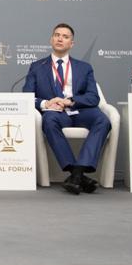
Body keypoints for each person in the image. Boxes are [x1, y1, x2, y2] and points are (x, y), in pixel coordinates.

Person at [24, 23, 110, 195]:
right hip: (55, 112)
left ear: (72, 43)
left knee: (103, 120)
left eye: (65, 36)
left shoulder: (84, 67)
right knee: (49, 121)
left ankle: (76, 173)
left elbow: (93, 97)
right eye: (57, 35)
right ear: (51, 40)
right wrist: (46, 103)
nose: (60, 39)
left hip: (79, 110)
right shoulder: (37, 66)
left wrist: (70, 101)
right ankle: (78, 174)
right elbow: (26, 96)